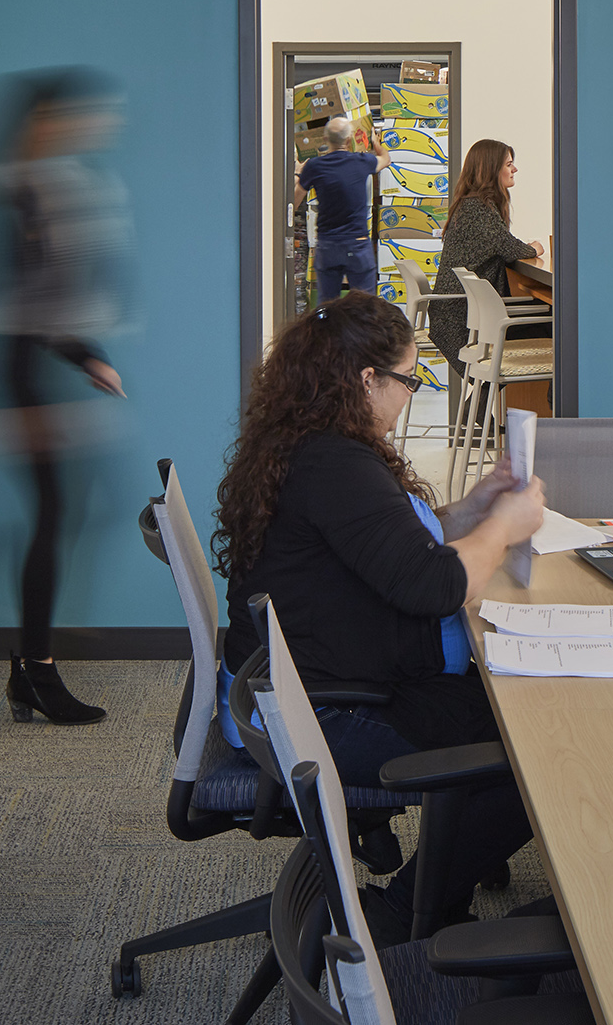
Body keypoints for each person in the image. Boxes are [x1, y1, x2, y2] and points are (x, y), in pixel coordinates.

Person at [214, 291, 547, 942]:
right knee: (531, 747)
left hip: (298, 685)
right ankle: (404, 913)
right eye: (408, 380)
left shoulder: (309, 444)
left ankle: (443, 886)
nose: (410, 396)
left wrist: (474, 508)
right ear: (367, 379)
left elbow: (386, 544)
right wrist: (503, 528)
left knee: (507, 711)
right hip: (323, 711)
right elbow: (435, 584)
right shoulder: (335, 464)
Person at [0, 70, 132, 726]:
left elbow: (45, 300)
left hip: (30, 373)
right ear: (40, 123)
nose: (81, 129)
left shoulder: (39, 189)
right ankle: (36, 670)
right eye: (68, 118)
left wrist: (86, 355)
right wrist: (80, 352)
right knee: (57, 511)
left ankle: (30, 668)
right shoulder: (15, 194)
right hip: (15, 379)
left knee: (63, 510)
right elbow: (18, 303)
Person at [425, 139, 544, 365]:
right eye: (509, 164)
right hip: (461, 319)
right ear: (491, 170)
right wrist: (534, 248)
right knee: (561, 326)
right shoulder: (478, 208)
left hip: (465, 313)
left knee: (550, 319)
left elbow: (502, 245)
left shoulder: (472, 205)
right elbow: (510, 248)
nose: (515, 169)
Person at [294, 115, 398, 300]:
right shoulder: (362, 161)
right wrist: (375, 142)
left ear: (325, 139)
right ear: (349, 140)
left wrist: (298, 173)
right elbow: (386, 159)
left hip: (328, 245)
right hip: (357, 244)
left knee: (327, 304)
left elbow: (294, 201)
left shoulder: (315, 166)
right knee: (364, 304)